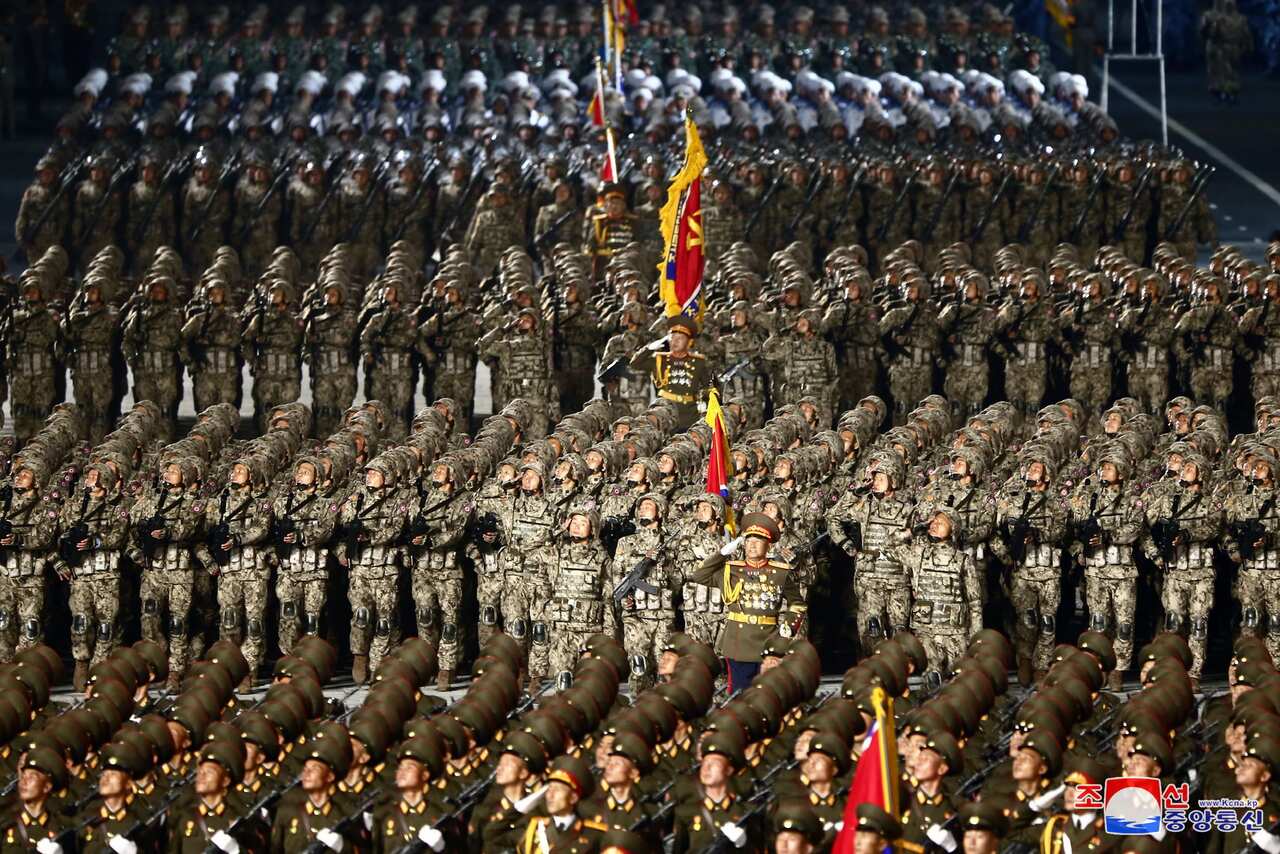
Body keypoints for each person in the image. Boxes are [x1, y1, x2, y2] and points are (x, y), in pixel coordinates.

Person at [690, 512, 805, 692]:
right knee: (739, 697)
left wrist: (785, 635)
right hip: (738, 644)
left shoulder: (780, 573)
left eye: (758, 541)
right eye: (748, 540)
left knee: (768, 696)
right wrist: (722, 553)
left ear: (768, 545)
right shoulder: (731, 570)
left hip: (769, 643)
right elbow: (699, 575)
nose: (752, 545)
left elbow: (798, 604)